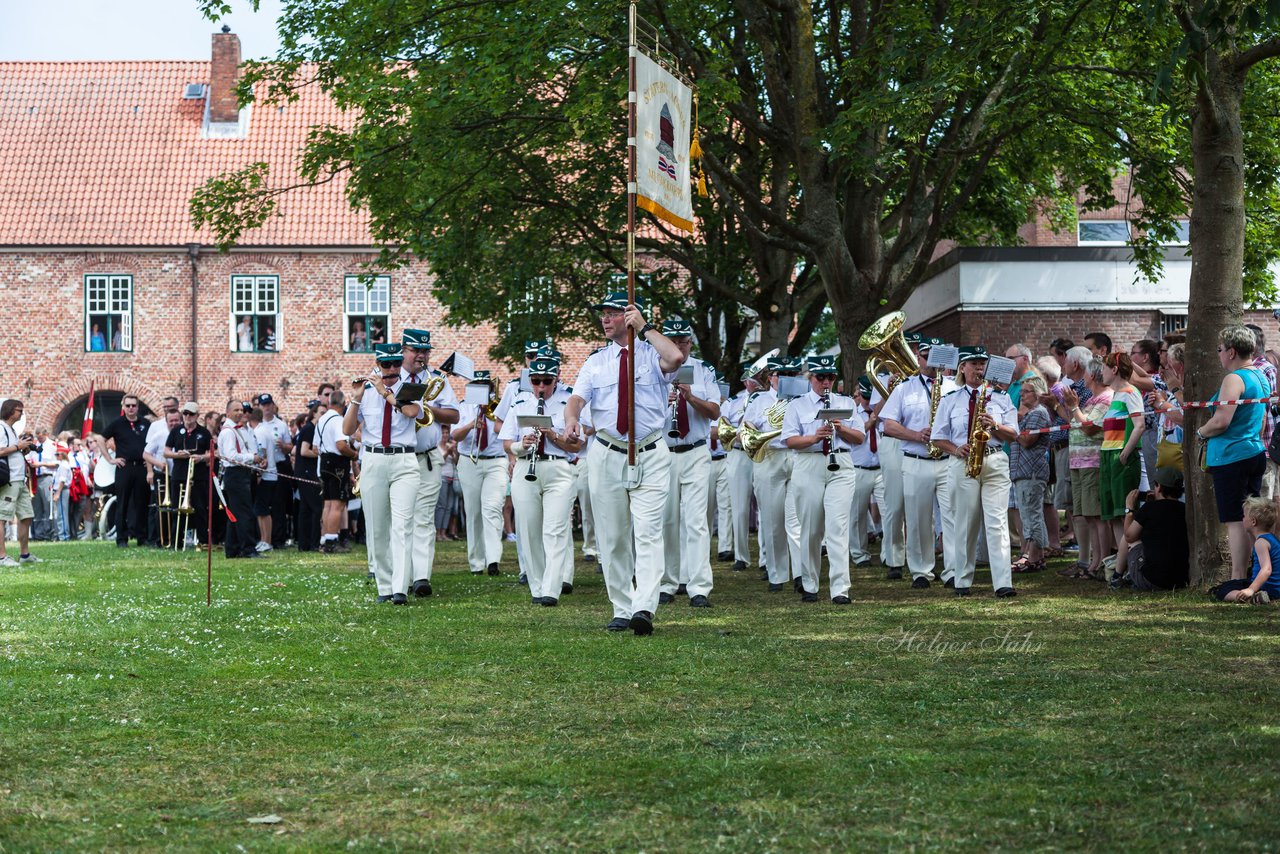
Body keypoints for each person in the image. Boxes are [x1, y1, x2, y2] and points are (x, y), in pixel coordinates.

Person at [564, 290, 686, 635]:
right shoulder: (596, 361)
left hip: (649, 450)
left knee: (648, 532)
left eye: (612, 313)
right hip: (607, 451)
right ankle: (622, 606)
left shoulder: (650, 354)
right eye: (602, 312)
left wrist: (645, 328)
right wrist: (571, 419)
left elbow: (676, 357)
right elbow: (576, 399)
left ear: (629, 316)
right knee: (613, 535)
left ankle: (644, 607)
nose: (604, 318)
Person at [929, 346, 1018, 598]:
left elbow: (1014, 434)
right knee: (965, 524)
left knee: (997, 523)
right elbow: (937, 438)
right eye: (974, 363)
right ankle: (962, 580)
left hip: (995, 460)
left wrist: (996, 425)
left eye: (982, 363)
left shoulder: (1001, 398)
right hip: (963, 463)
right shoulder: (950, 399)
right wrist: (956, 449)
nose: (979, 367)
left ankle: (1002, 583)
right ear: (963, 368)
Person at [343, 343, 423, 603]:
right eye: (385, 364)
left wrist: (385, 392)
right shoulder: (365, 391)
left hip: (404, 461)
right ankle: (384, 587)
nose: (390, 370)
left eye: (395, 364)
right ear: (378, 364)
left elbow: (411, 411)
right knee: (377, 529)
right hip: (374, 460)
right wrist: (356, 397)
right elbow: (347, 430)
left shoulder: (409, 388)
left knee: (403, 526)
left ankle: (400, 588)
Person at [501, 355, 584, 605]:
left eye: (546, 381)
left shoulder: (568, 401)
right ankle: (537, 586)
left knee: (555, 530)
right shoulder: (521, 401)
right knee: (528, 531)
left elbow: (578, 445)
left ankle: (551, 589)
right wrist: (522, 444)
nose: (540, 387)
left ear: (556, 378)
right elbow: (506, 441)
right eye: (535, 381)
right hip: (527, 467)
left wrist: (554, 435)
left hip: (558, 468)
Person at [781, 355, 862, 603]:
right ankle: (809, 584)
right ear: (811, 378)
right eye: (820, 377)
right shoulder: (798, 405)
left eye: (830, 377)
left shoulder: (846, 402)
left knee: (838, 527)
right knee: (811, 528)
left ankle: (840, 589)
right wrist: (814, 438)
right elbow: (790, 440)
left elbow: (859, 438)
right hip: (809, 463)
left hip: (841, 463)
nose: (825, 382)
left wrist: (841, 428)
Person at [879, 337, 956, 589]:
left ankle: (954, 570)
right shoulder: (904, 388)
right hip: (916, 460)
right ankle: (921, 571)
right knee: (918, 519)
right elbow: (888, 425)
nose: (932, 362)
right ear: (918, 357)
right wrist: (916, 435)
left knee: (952, 517)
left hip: (948, 460)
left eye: (937, 357)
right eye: (926, 356)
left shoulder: (954, 386)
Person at [658, 319, 721, 608]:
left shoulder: (703, 370)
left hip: (695, 450)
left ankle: (698, 588)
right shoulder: (652, 368)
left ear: (690, 343)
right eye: (673, 340)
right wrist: (664, 401)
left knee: (696, 521)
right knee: (667, 520)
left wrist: (689, 396)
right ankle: (668, 583)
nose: (679, 344)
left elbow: (714, 411)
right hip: (663, 452)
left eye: (683, 340)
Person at [1199, 325, 1269, 581]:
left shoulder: (1234, 378)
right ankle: (1257, 574)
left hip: (1231, 456)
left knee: (1236, 520)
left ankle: (1237, 578)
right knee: (1252, 518)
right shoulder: (1260, 376)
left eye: (1219, 349)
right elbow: (1260, 422)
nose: (1218, 354)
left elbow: (1221, 421)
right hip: (1254, 452)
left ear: (1230, 351)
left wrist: (1200, 433)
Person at [400, 327, 460, 596]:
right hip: (399, 458)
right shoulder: (391, 377)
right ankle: (399, 573)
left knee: (424, 518)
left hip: (427, 458)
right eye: (416, 350)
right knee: (402, 519)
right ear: (404, 351)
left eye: (425, 351)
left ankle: (421, 577)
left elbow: (454, 416)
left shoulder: (438, 380)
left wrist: (428, 409)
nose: (421, 356)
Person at [1060, 358, 1111, 580]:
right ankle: (1094, 559)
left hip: (1093, 463)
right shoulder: (1091, 400)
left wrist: (1073, 407)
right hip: (1079, 463)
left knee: (1097, 515)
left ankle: (1102, 561)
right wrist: (1066, 406)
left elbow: (1090, 429)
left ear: (1093, 375)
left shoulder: (1106, 399)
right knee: (1087, 515)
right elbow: (1076, 422)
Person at [452, 370, 507, 576]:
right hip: (469, 461)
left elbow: (507, 431)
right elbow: (455, 436)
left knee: (492, 508)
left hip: (495, 461)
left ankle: (493, 560)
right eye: (478, 385)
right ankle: (476, 562)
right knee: (473, 512)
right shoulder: (464, 406)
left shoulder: (500, 406)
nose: (482, 389)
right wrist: (471, 424)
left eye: (486, 385)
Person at [1098, 352, 1145, 580]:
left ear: (1114, 370)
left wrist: (1126, 452)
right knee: (1116, 516)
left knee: (1125, 513)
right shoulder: (1116, 394)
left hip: (1120, 458)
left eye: (1104, 368)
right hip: (1108, 456)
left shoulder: (1130, 392)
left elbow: (1139, 424)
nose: (1102, 372)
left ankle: (1123, 570)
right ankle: (1121, 567)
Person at [722, 361, 761, 573]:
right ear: (745, 380)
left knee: (766, 507)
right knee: (739, 508)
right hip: (739, 454)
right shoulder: (733, 402)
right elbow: (718, 429)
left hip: (764, 454)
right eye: (752, 378)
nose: (755, 382)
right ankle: (741, 556)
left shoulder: (768, 400)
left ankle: (766, 558)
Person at [1122, 468, 1189, 591]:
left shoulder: (1149, 508)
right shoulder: (1184, 509)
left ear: (1158, 487)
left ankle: (1116, 575)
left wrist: (1129, 510)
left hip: (1151, 580)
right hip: (1181, 580)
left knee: (1130, 540)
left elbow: (1129, 536)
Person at [1011, 377, 1051, 573]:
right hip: (1023, 471)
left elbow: (1027, 440)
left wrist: (1011, 428)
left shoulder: (1038, 413)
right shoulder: (1027, 415)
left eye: (1026, 391)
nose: (1022, 394)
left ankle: (1033, 557)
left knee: (1032, 514)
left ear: (1037, 394)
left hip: (1032, 472)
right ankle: (1036, 555)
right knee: (1029, 514)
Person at [101, 394, 152, 548]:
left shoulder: (145, 423)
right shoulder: (117, 423)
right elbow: (100, 439)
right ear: (123, 407)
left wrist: (149, 460)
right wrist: (110, 460)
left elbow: (152, 443)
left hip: (141, 467)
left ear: (138, 407)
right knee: (122, 503)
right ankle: (121, 538)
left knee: (142, 503)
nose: (131, 408)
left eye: (133, 405)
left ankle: (141, 537)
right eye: (128, 405)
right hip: (124, 467)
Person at [164, 402, 213, 547]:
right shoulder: (176, 431)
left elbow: (214, 453)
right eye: (185, 414)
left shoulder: (204, 432)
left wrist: (201, 458)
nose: (187, 417)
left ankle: (203, 541)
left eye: (191, 414)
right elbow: (166, 452)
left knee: (200, 508)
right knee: (176, 508)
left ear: (197, 415)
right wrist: (177, 454)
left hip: (198, 475)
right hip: (179, 474)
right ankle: (176, 542)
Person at [1214, 496, 1280, 604]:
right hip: (1276, 588)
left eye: (1244, 516)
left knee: (1223, 590)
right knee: (1234, 583)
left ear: (1253, 521)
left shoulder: (1261, 543)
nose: (1242, 518)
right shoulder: (1272, 539)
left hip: (1267, 588)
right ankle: (1256, 596)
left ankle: (1253, 598)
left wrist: (1251, 589)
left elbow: (1267, 569)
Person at [848, 377, 884, 569]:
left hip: (880, 469)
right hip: (859, 469)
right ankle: (859, 554)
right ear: (859, 396)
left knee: (890, 512)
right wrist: (870, 421)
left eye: (872, 397)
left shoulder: (882, 411)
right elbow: (854, 438)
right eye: (865, 397)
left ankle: (889, 554)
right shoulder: (852, 414)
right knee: (857, 515)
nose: (869, 402)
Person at [0, 400, 40, 566]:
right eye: (19, 410)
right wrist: (18, 446)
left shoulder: (11, 429)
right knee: (2, 517)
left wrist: (23, 448)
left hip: (19, 479)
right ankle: (2, 557)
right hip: (9, 480)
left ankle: (25, 554)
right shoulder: (1, 428)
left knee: (26, 516)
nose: (21, 414)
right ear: (10, 410)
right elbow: (1, 450)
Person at [251, 393, 292, 553]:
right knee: (261, 509)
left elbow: (263, 455)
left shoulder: (263, 430)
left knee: (265, 508)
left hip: (270, 472)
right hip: (270, 471)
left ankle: (268, 540)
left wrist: (259, 473)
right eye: (264, 405)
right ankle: (265, 539)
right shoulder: (262, 429)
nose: (267, 407)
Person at [317, 390, 356, 554]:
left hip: (324, 461)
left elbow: (315, 447)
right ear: (343, 403)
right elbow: (341, 445)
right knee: (338, 504)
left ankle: (324, 539)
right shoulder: (339, 420)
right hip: (337, 462)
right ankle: (332, 542)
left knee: (327, 504)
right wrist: (354, 454)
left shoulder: (321, 420)